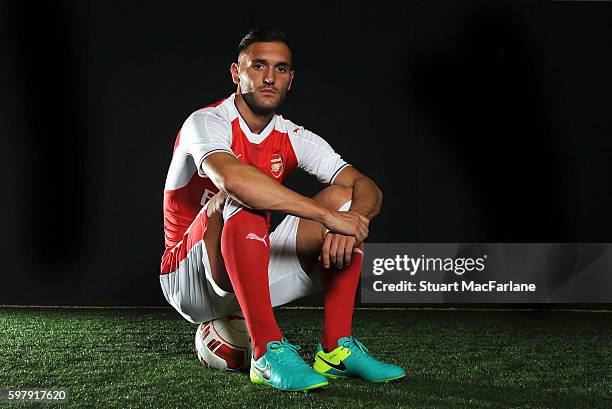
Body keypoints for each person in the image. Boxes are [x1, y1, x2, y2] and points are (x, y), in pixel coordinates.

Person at [160, 27, 405, 391]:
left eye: (281, 68)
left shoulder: (292, 136)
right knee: (242, 194)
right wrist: (325, 217)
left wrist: (351, 221)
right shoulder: (206, 122)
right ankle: (265, 353)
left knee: (344, 200)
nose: (270, 77)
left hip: (249, 265)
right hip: (188, 276)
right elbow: (234, 180)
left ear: (291, 79)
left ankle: (336, 349)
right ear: (235, 73)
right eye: (258, 66)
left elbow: (366, 187)